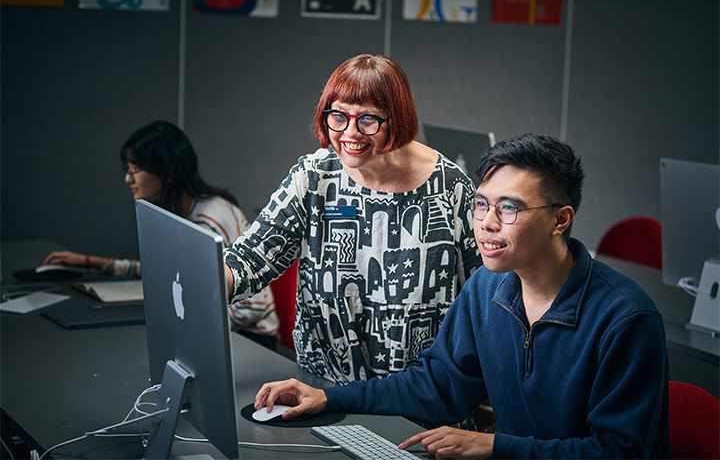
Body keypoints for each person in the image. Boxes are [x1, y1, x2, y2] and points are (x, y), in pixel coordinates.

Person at [253, 133, 671, 459]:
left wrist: (492, 447)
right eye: (481, 205)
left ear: (561, 220)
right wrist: (328, 397)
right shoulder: (486, 289)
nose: (487, 223)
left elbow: (618, 452)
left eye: (509, 209)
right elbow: (437, 387)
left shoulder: (626, 319)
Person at [223, 54, 482, 386]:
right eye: (339, 116)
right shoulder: (314, 177)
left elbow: (485, 297)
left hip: (416, 400)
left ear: (396, 119)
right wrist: (209, 281)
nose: (350, 132)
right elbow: (251, 257)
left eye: (368, 120)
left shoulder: (450, 188)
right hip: (323, 389)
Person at [43, 120, 279, 349]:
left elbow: (252, 307)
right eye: (128, 169)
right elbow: (166, 274)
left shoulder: (213, 216)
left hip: (251, 339)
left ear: (167, 172)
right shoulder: (177, 213)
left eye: (136, 169)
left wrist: (189, 329)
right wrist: (91, 263)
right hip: (215, 331)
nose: (128, 178)